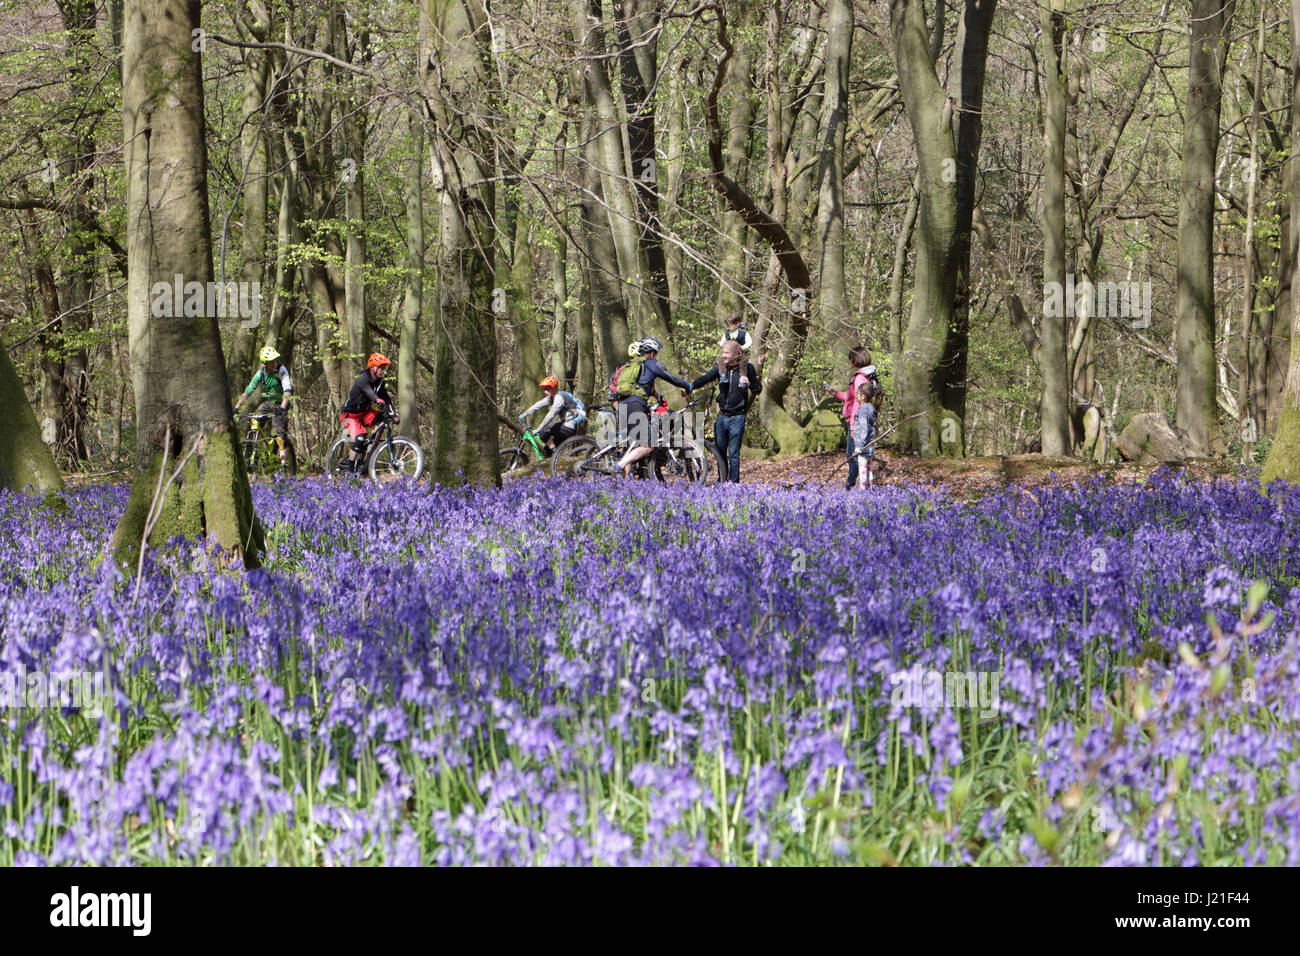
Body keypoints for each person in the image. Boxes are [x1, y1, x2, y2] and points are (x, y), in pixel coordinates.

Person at [612, 337, 692, 478]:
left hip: (623, 405)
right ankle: (619, 466)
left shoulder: (632, 364)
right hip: (635, 405)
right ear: (652, 353)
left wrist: (657, 397)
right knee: (648, 445)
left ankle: (623, 485)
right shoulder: (650, 363)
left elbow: (646, 388)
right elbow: (670, 377)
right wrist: (686, 385)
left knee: (633, 446)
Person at [691, 339, 761, 483]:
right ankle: (722, 480)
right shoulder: (720, 367)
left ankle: (734, 484)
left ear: (737, 354)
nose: (724, 356)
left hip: (738, 417)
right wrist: (689, 386)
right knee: (720, 451)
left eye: (727, 353)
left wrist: (749, 383)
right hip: (722, 417)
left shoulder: (748, 368)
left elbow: (758, 388)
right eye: (723, 352)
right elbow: (705, 378)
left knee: (733, 454)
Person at [824, 345, 879, 490]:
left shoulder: (860, 378)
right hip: (853, 419)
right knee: (852, 454)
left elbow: (857, 403)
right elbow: (849, 397)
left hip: (855, 421)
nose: (849, 363)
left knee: (853, 454)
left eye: (851, 359)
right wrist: (834, 393)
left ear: (856, 359)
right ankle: (857, 485)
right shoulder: (859, 377)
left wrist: (854, 426)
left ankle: (851, 486)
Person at [233, 345, 293, 466]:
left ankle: (283, 464)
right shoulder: (261, 373)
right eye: (270, 362)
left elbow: (287, 390)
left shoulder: (281, 370)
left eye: (274, 360)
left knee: (279, 434)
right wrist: (237, 407)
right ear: (265, 363)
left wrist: (282, 407)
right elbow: (249, 389)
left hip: (281, 403)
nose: (272, 363)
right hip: (268, 403)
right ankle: (251, 457)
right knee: (254, 421)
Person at [340, 353, 398, 474]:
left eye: (384, 368)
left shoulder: (379, 382)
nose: (383, 370)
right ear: (373, 367)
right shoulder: (363, 378)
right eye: (381, 367)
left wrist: (393, 414)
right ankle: (350, 473)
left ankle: (369, 451)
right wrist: (376, 399)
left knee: (383, 418)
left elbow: (386, 399)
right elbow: (368, 391)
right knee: (359, 438)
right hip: (349, 415)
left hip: (365, 413)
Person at [520, 375, 586, 455]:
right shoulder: (552, 397)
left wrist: (539, 428)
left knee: (543, 433)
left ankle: (555, 455)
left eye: (548, 388)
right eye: (544, 389)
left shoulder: (559, 397)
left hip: (570, 426)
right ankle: (555, 458)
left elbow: (551, 414)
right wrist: (524, 414)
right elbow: (538, 405)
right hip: (566, 426)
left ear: (554, 388)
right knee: (547, 451)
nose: (545, 391)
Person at [851, 379, 882, 489]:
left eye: (858, 393)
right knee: (868, 468)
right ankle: (870, 489)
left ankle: (863, 493)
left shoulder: (864, 409)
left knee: (863, 469)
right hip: (870, 444)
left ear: (863, 396)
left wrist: (860, 445)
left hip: (863, 445)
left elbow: (864, 428)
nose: (856, 395)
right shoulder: (871, 407)